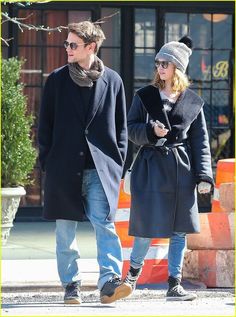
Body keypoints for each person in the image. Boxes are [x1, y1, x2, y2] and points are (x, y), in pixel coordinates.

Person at [38, 21, 129, 304]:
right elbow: (45, 127)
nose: (67, 49)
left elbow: (121, 128)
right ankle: (71, 285)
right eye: (66, 44)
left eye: (73, 45)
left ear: (91, 47)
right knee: (65, 229)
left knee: (104, 225)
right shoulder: (56, 80)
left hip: (100, 171)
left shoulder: (113, 81)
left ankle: (109, 282)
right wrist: (48, 163)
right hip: (63, 168)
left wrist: (118, 166)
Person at [122, 36, 214, 301]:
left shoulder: (193, 103)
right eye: (158, 63)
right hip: (150, 169)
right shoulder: (145, 96)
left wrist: (203, 176)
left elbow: (200, 142)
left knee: (179, 229)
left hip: (180, 169)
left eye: (166, 63)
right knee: (144, 226)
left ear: (178, 68)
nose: (160, 67)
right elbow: (131, 129)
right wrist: (150, 131)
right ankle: (131, 279)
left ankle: (175, 284)